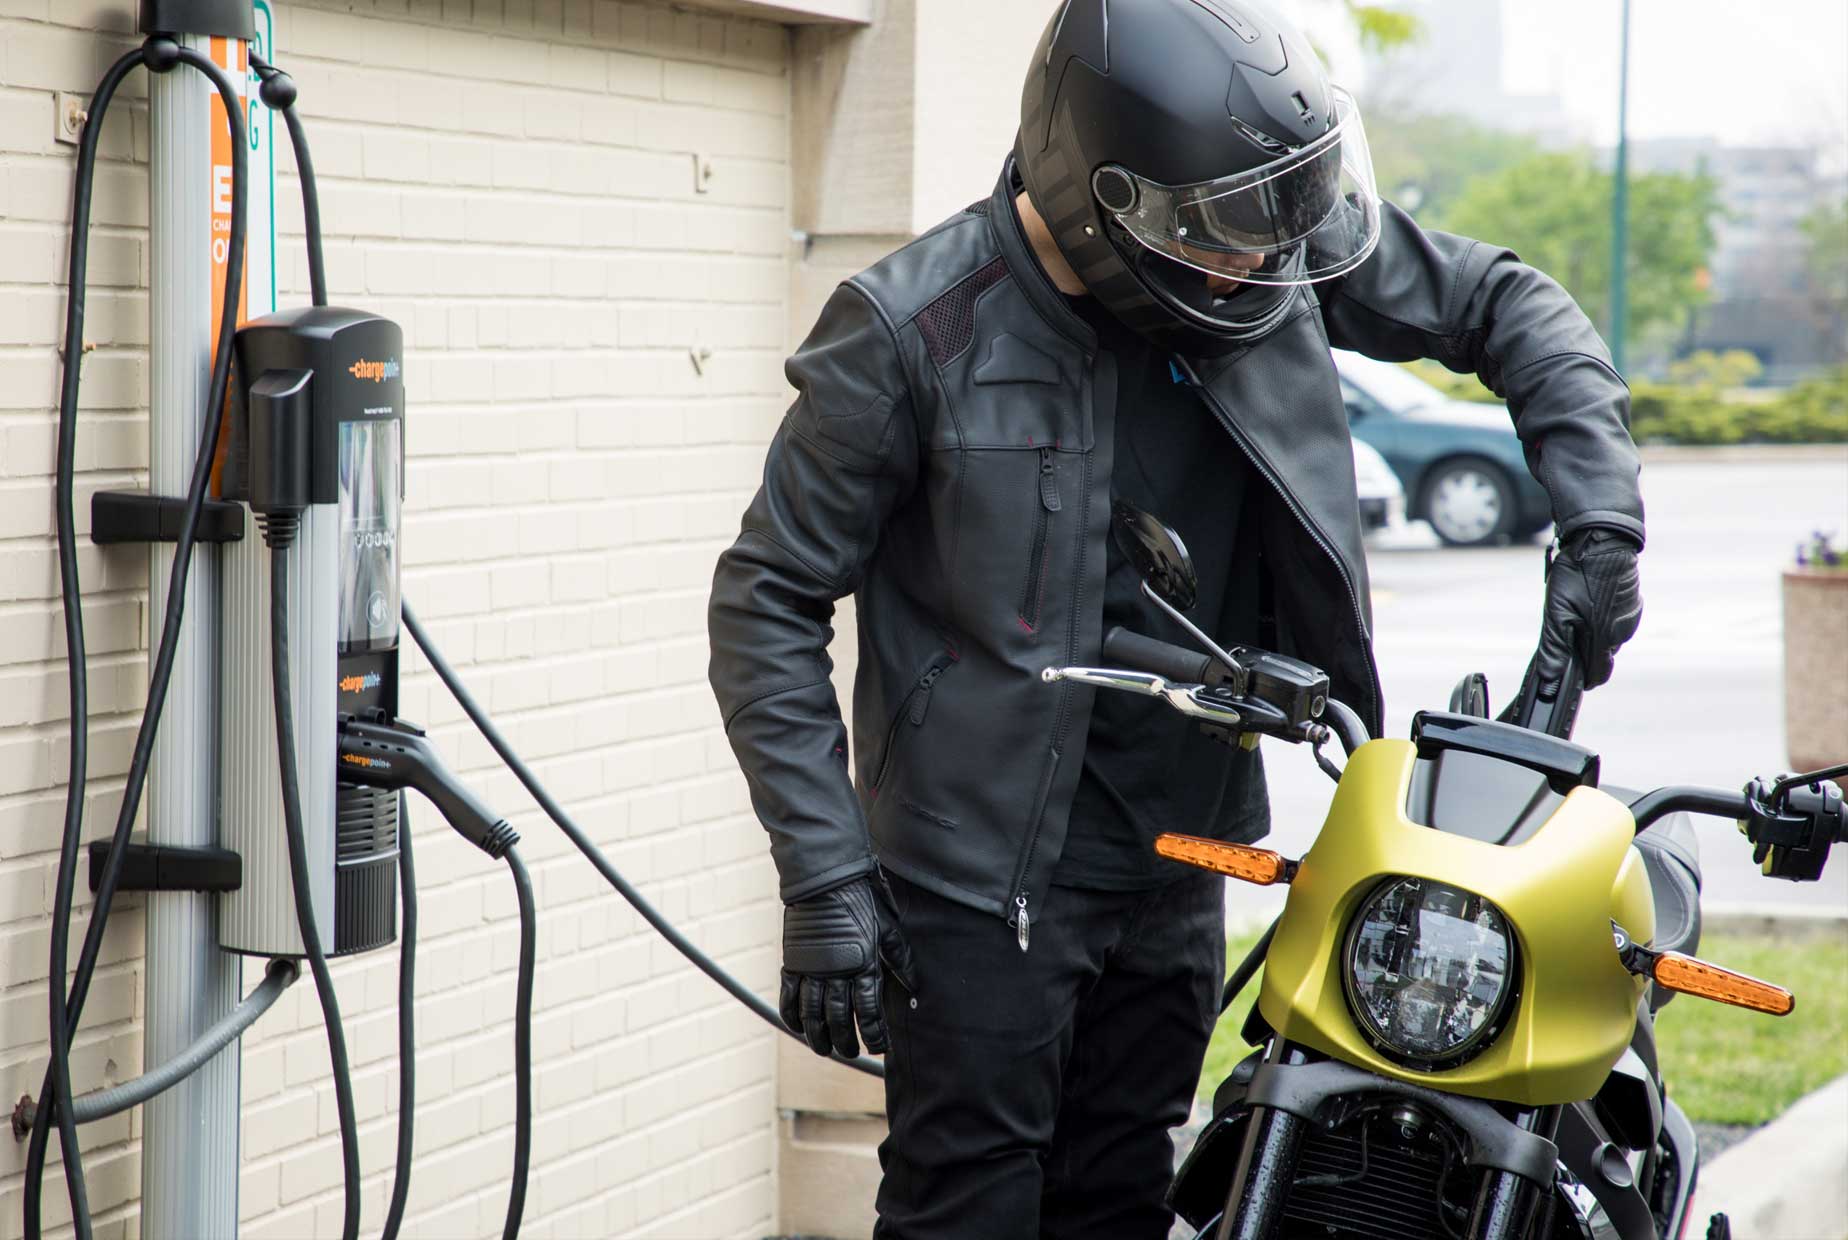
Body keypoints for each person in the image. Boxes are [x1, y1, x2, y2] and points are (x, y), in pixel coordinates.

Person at [707, 0, 1644, 1234]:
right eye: (1224, 239)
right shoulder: (909, 332)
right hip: (977, 881)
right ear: (1107, 200)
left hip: (1186, 851)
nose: (1262, 263)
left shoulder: (1251, 230)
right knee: (966, 1205)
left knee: (1124, 1189)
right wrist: (823, 870)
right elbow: (764, 596)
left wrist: (1600, 527)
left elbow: (1511, 306)